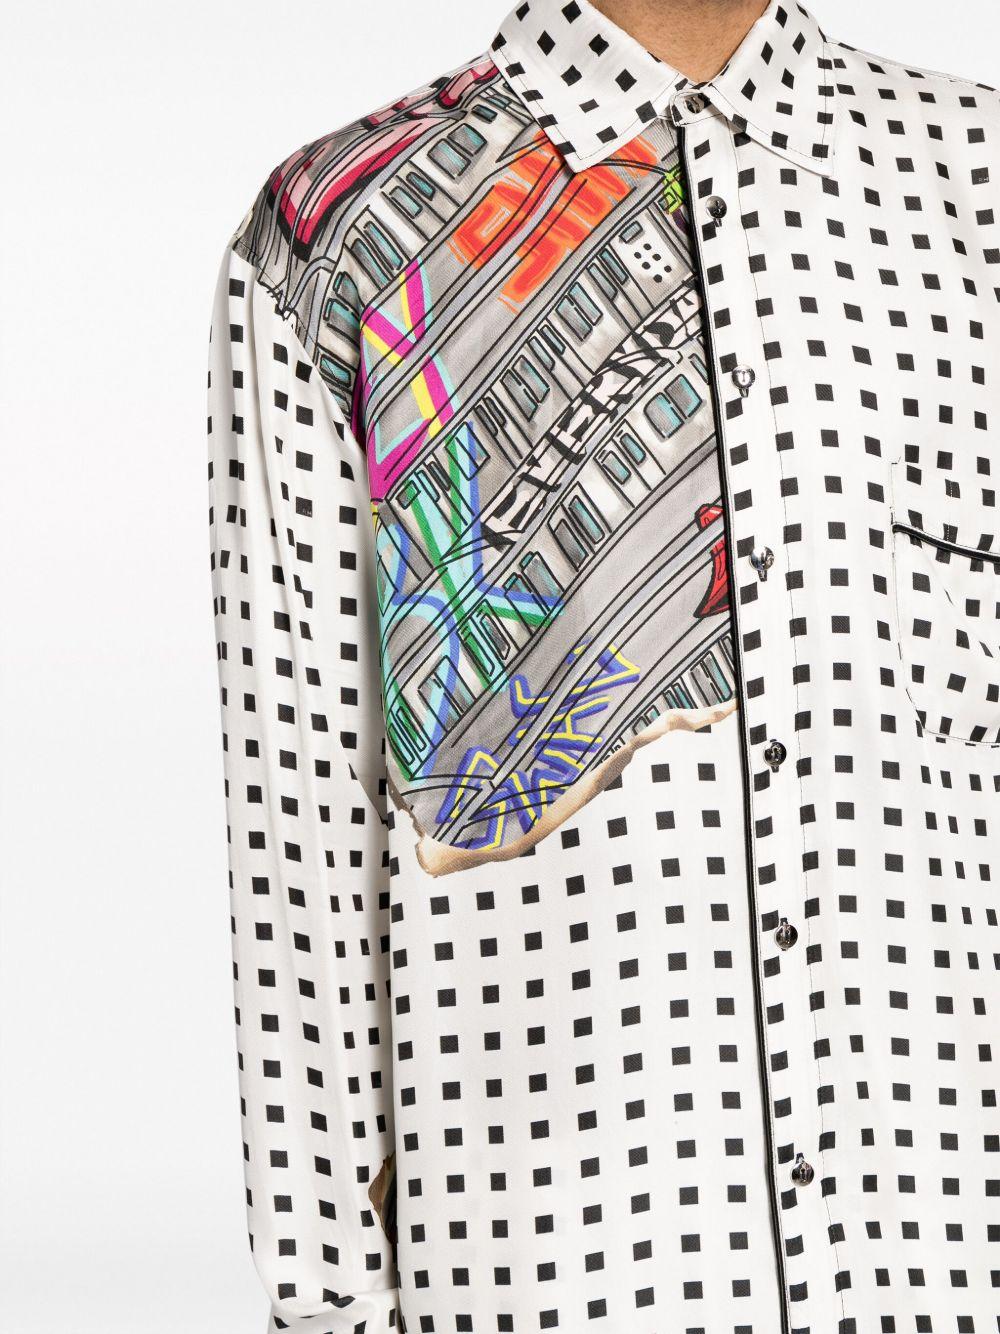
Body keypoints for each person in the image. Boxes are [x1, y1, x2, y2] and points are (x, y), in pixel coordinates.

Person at [205, 0, 1000, 1329]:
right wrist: (330, 1301)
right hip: (570, 1274)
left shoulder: (976, 185)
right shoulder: (341, 241)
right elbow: (300, 847)